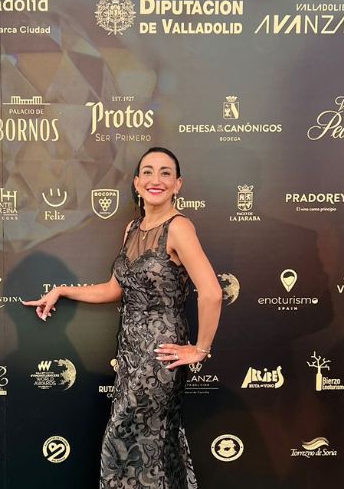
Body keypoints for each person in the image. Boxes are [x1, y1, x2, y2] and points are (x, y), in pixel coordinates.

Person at [23, 147, 222, 488]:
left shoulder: (179, 228)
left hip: (159, 357)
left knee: (131, 441)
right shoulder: (133, 228)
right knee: (151, 444)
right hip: (130, 354)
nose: (155, 179)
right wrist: (62, 290)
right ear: (137, 182)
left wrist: (200, 349)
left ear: (178, 184)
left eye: (165, 173)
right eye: (148, 172)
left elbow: (212, 292)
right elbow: (114, 289)